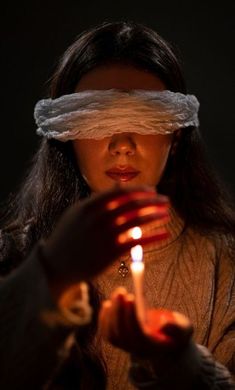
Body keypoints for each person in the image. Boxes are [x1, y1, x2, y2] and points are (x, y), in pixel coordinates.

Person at [0, 20, 234, 389]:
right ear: (68, 137)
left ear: (174, 137)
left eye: (145, 119)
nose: (122, 143)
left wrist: (181, 365)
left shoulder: (227, 265)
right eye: (97, 119)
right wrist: (51, 276)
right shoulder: (11, 256)